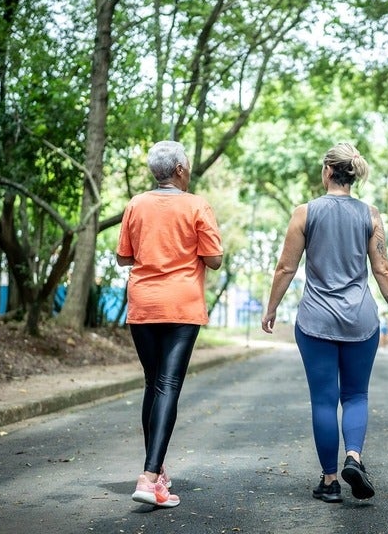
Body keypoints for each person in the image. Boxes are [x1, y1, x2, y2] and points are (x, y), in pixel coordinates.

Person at [261, 142, 388, 504]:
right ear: (352, 175)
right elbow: (382, 268)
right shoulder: (370, 215)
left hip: (316, 321)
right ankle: (353, 457)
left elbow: (286, 267)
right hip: (361, 320)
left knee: (324, 401)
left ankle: (329, 481)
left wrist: (271, 308)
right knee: (355, 394)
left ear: (327, 171)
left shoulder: (304, 213)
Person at [116, 140, 224, 509]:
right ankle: (148, 477)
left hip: (143, 304)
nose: (190, 169)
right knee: (168, 385)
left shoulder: (135, 204)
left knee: (153, 383)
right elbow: (214, 260)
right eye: (188, 164)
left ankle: (157, 469)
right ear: (179, 170)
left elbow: (123, 257)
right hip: (180, 305)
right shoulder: (196, 204)